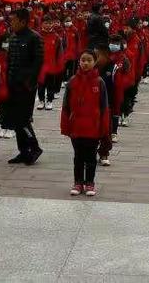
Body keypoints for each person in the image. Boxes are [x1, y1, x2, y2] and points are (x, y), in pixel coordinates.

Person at [61, 49, 110, 196]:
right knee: (78, 157)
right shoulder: (72, 81)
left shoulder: (99, 82)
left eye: (89, 60)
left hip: (93, 128)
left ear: (95, 62)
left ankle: (89, 183)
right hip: (76, 126)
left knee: (90, 157)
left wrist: (104, 128)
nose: (85, 63)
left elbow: (104, 107)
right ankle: (78, 182)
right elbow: (66, 106)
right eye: (83, 60)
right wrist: (65, 125)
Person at [3, 8, 44, 165]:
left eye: (13, 20)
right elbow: (10, 62)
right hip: (12, 84)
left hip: (26, 87)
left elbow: (38, 63)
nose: (11, 23)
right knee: (15, 119)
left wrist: (28, 82)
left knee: (23, 119)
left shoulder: (35, 38)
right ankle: (23, 151)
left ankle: (34, 147)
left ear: (23, 21)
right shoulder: (13, 38)